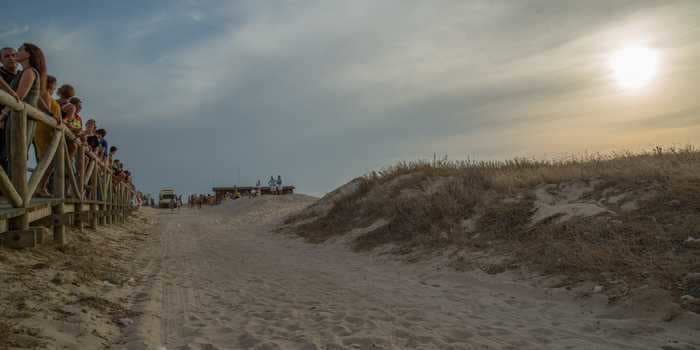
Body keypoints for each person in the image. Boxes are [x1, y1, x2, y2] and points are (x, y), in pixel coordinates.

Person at [1, 43, 47, 176]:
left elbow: (19, 97)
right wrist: (49, 112)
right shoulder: (26, 72)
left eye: (17, 52)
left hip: (18, 117)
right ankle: (15, 192)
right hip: (15, 117)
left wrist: (2, 115)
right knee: (13, 154)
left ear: (28, 54)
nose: (13, 57)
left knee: (16, 153)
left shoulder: (28, 72)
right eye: (7, 56)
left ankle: (16, 192)